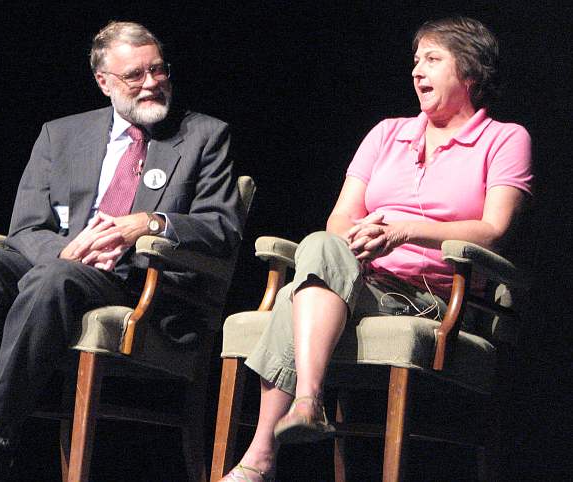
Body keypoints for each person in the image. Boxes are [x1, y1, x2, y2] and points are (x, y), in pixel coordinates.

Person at [0, 21, 242, 482]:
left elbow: (222, 227)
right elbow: (27, 227)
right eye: (135, 75)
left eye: (158, 70)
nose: (152, 83)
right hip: (64, 261)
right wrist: (72, 251)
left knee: (52, 279)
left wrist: (147, 224)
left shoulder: (205, 136)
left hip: (135, 277)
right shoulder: (61, 134)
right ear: (104, 81)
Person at [221, 16, 531, 481]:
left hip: (433, 295)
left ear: (470, 73)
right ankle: (306, 403)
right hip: (362, 278)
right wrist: (360, 236)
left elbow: (493, 230)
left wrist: (405, 231)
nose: (416, 71)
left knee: (292, 295)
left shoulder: (505, 139)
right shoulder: (387, 132)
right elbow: (340, 217)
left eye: (432, 60)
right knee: (322, 245)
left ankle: (261, 455)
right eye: (415, 61)